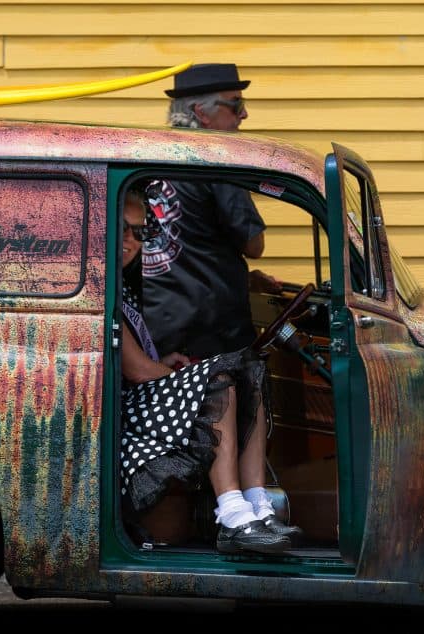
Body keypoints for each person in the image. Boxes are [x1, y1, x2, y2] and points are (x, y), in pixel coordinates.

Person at [120, 188, 300, 554]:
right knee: (217, 379)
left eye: (139, 233)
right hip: (124, 413)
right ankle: (232, 515)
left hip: (143, 399)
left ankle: (258, 505)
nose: (130, 240)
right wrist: (172, 373)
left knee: (249, 370)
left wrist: (167, 360)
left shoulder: (127, 281)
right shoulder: (100, 286)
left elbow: (144, 354)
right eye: (122, 229)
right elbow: (137, 371)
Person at [142, 63, 281, 359]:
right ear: (201, 112)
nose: (244, 114)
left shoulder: (145, 162)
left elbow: (183, 249)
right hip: (212, 338)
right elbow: (254, 244)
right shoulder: (217, 163)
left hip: (153, 334)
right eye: (236, 104)